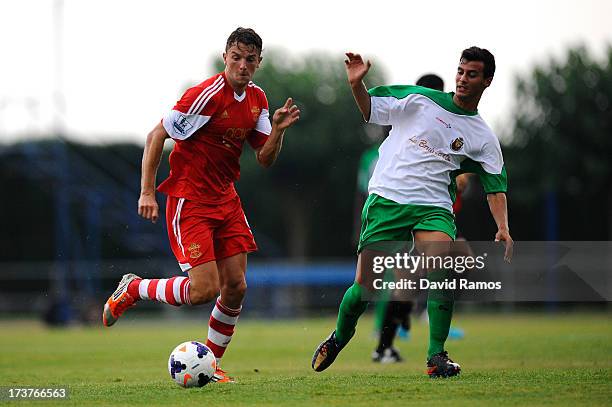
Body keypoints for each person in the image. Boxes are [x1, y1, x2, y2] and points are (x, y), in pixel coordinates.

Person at [102, 27, 300, 383]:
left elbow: (265, 158)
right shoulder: (205, 96)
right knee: (203, 290)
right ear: (225, 57)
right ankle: (133, 288)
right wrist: (147, 192)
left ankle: (213, 365)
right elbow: (155, 135)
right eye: (236, 58)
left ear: (258, 63)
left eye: (249, 60)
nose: (242, 66)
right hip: (189, 199)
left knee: (236, 286)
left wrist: (279, 131)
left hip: (226, 199)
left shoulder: (257, 99)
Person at [312, 47, 512, 378]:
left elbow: (496, 187)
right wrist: (355, 86)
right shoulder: (420, 99)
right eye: (460, 71)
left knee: (442, 268)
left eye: (472, 74)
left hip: (433, 206)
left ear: (487, 80)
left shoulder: (483, 136)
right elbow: (371, 109)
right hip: (388, 199)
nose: (463, 79)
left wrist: (502, 226)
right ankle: (338, 338)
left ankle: (436, 356)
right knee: (365, 287)